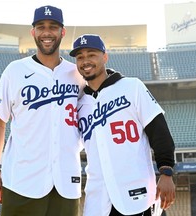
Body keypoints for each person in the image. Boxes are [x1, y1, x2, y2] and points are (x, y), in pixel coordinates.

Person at [0, 5, 85, 216]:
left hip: (66, 183)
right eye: (41, 27)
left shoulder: (77, 74)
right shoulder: (15, 71)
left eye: (53, 27)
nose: (47, 32)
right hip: (22, 182)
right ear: (33, 32)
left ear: (62, 32)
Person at [69, 34, 176, 216]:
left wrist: (166, 172)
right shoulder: (78, 103)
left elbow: (159, 131)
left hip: (136, 193)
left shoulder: (132, 87)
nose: (85, 61)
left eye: (91, 54)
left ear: (105, 56)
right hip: (97, 199)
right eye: (80, 57)